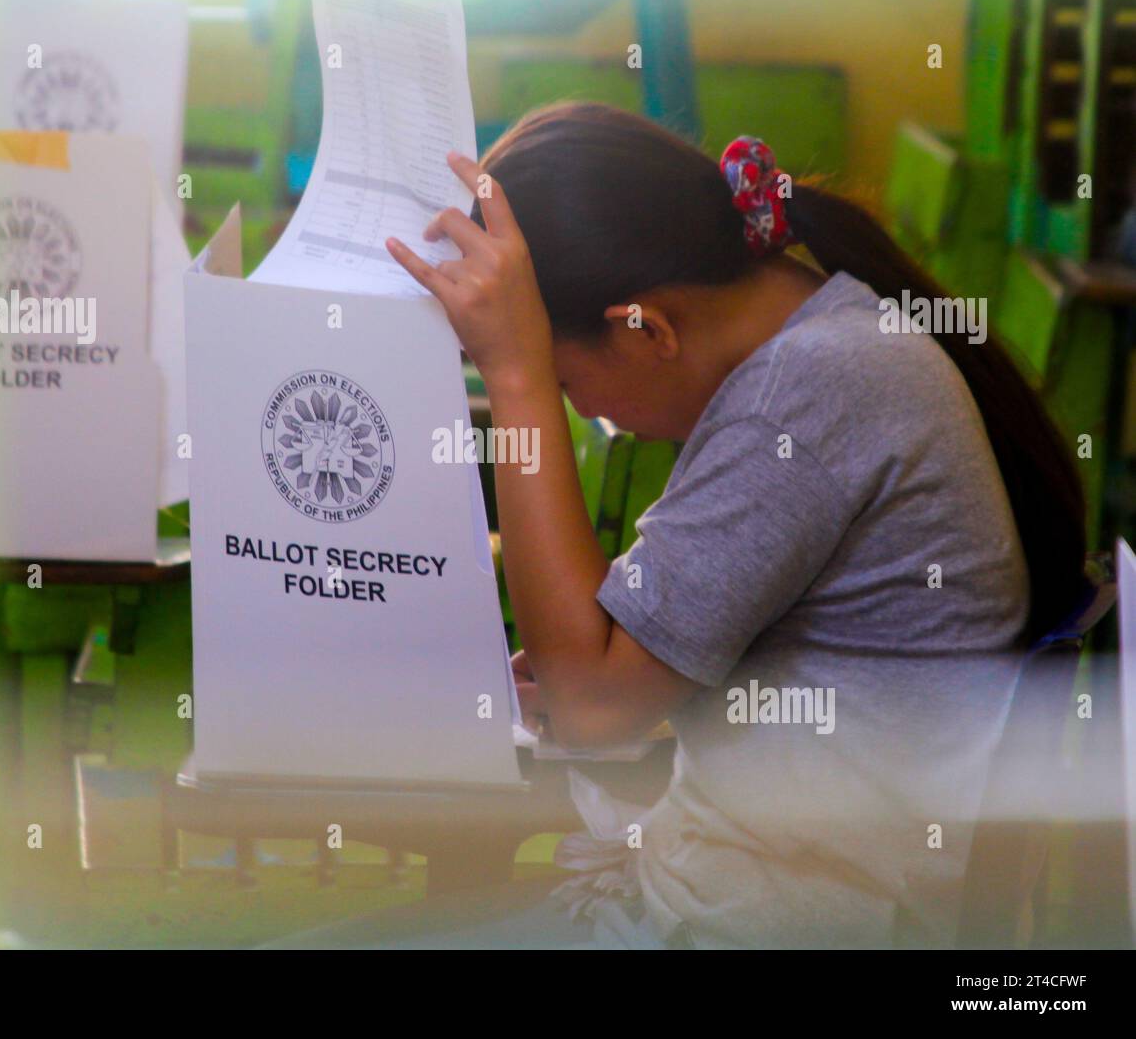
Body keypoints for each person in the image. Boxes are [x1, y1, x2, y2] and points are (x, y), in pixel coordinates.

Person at [303, 102, 1086, 949]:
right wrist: (630, 659)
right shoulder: (830, 343)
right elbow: (623, 674)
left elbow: (596, 706)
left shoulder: (801, 402)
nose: (589, 415)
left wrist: (515, 376)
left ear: (647, 328)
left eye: (569, 385)